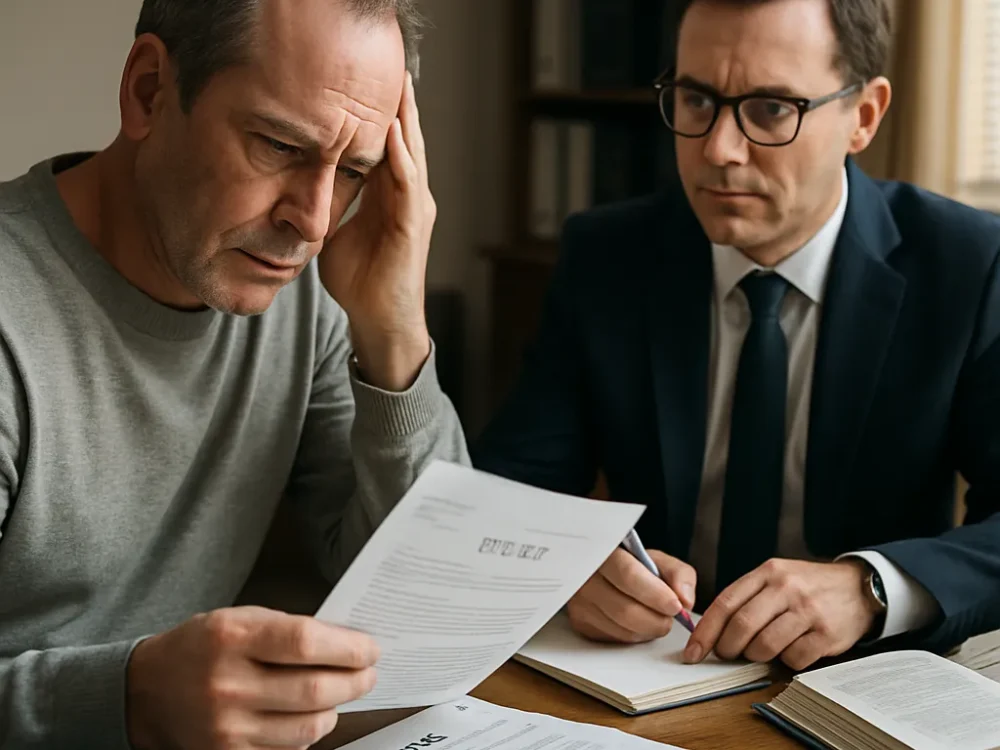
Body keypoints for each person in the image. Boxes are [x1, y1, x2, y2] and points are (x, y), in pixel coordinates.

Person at [474, 0, 1000, 676]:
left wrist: (872, 588)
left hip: (867, 682)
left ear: (863, 116)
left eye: (771, 110)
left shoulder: (966, 266)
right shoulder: (607, 257)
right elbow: (512, 496)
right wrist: (570, 567)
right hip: (656, 671)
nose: (718, 149)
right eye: (697, 99)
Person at [0, 0, 469, 747]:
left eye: (353, 170)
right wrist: (129, 698)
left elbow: (433, 602)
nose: (314, 221)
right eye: (280, 146)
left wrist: (394, 330)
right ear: (149, 90)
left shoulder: (305, 303)